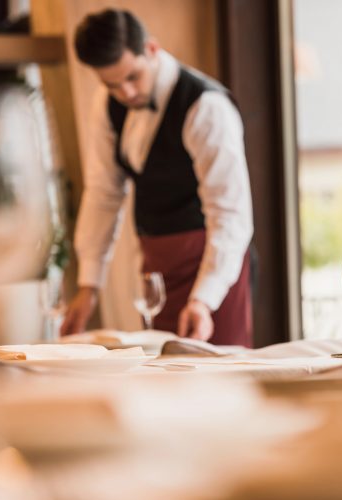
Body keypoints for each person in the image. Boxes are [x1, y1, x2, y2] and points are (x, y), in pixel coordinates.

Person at [60, 8, 253, 346]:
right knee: (159, 369)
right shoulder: (107, 104)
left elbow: (230, 215)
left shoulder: (206, 107)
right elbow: (103, 193)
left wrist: (203, 300)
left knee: (217, 371)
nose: (126, 93)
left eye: (132, 77)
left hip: (212, 264)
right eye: (112, 84)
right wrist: (89, 287)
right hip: (157, 270)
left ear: (151, 49)